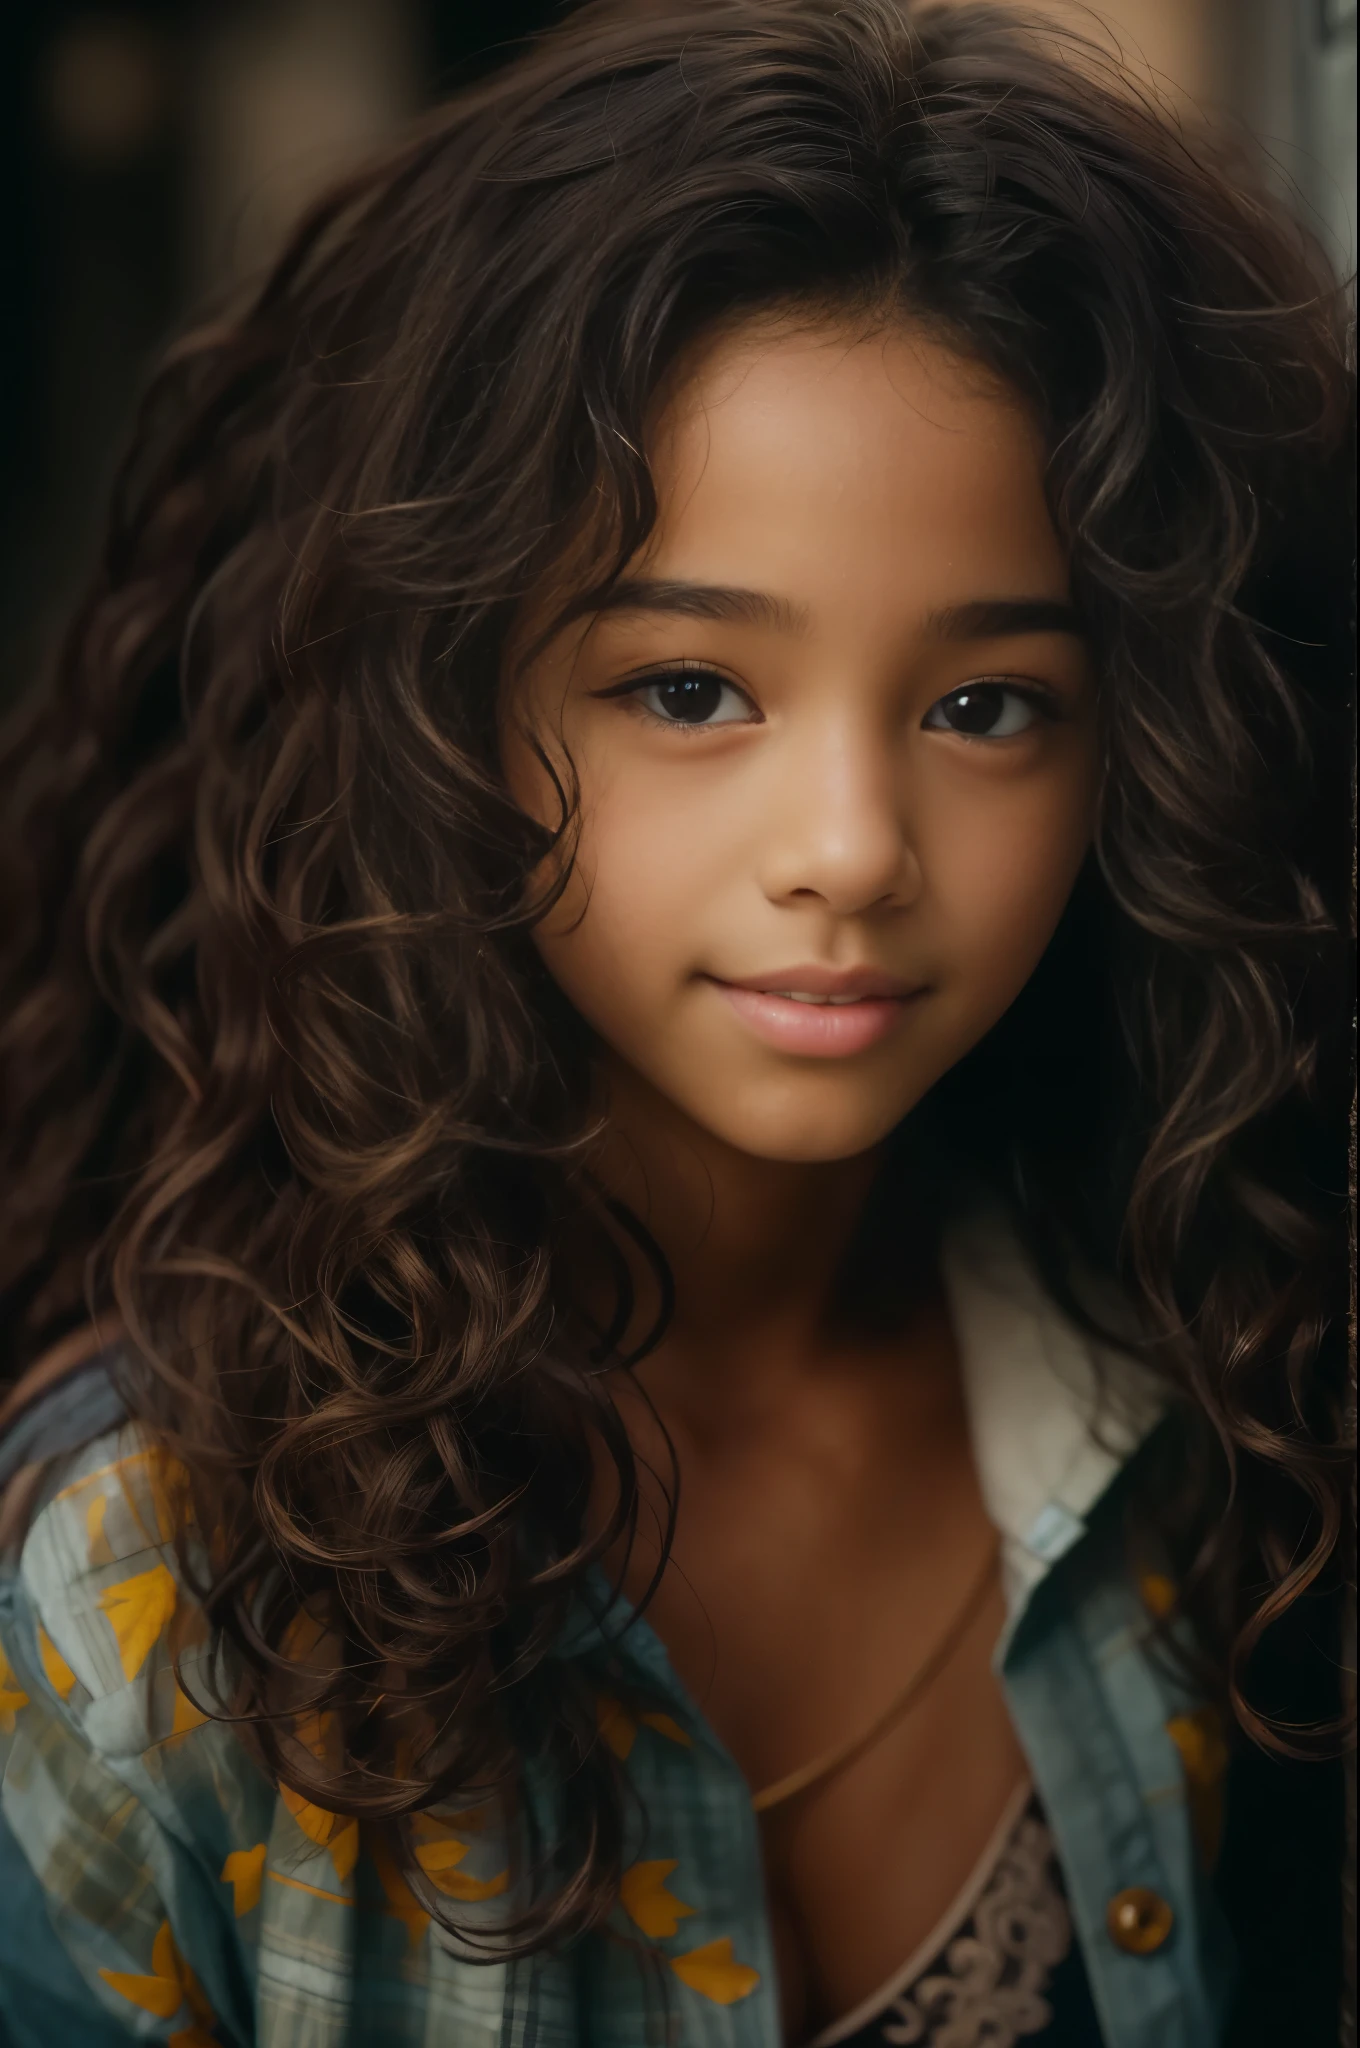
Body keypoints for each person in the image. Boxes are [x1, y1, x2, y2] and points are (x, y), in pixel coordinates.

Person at [0, 3, 1351, 2044]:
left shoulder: (1216, 1411)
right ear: (444, 710)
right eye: (689, 690)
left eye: (983, 705)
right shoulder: (138, 1595)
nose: (848, 847)